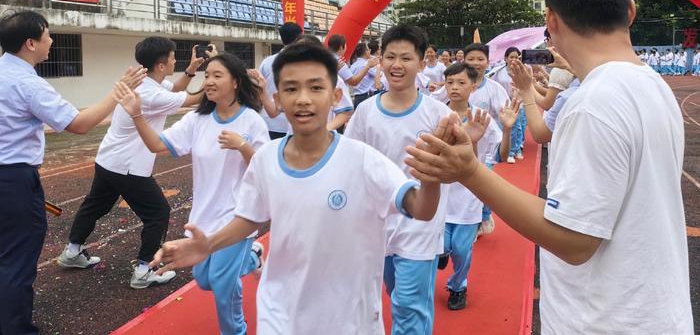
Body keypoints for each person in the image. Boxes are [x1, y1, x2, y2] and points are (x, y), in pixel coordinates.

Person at [405, 0, 694, 334]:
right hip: (649, 312)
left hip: (607, 320)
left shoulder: (595, 103)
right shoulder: (651, 84)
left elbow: (574, 240)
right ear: (630, 11)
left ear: (551, 20)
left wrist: (470, 171)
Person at [145, 41, 442, 335]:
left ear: (335, 95)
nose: (302, 99)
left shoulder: (362, 160)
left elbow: (421, 208)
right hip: (280, 316)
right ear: (278, 99)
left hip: (351, 319)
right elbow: (249, 217)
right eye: (290, 89)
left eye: (315, 88)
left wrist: (431, 176)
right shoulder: (265, 160)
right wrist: (207, 244)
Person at [0, 10, 146, 335]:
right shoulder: (28, 84)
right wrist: (120, 90)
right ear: (30, 43)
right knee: (17, 259)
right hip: (12, 179)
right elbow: (79, 125)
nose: (51, 40)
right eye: (47, 34)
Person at [116, 53, 269, 335]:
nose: (208, 81)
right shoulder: (197, 120)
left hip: (238, 217)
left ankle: (235, 331)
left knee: (223, 286)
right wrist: (136, 114)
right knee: (204, 279)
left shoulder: (251, 121)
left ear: (235, 82)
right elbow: (156, 146)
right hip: (203, 217)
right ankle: (252, 258)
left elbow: (267, 168)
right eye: (206, 75)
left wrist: (243, 147)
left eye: (217, 75)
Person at [57, 37, 211, 288]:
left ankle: (72, 251)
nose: (175, 60)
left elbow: (174, 90)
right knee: (158, 213)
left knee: (95, 206)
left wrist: (192, 70)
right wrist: (219, 74)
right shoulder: (150, 94)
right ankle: (143, 270)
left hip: (108, 159)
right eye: (173, 57)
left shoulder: (147, 82)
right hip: (129, 166)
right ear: (161, 65)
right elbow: (193, 99)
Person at [345, 24, 454, 335]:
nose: (396, 65)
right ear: (380, 60)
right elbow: (352, 162)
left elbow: (454, 165)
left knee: (408, 305)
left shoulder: (438, 114)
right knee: (395, 295)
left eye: (405, 58)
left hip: (420, 225)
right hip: (378, 224)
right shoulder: (365, 112)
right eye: (389, 56)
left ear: (421, 64)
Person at [438, 62, 519, 310]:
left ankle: (457, 286)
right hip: (438, 196)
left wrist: (507, 130)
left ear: (473, 86)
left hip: (468, 198)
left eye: (461, 83)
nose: (454, 87)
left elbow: (501, 156)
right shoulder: (434, 112)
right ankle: (441, 254)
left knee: (461, 249)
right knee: (442, 246)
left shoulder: (481, 119)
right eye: (450, 82)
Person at [258, 22, 303, 139]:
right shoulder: (304, 63)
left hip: (269, 120)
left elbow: (259, 88)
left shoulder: (267, 61)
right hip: (294, 121)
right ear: (299, 38)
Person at [492, 47, 527, 161]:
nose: (514, 59)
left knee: (518, 128)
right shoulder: (498, 71)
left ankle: (516, 150)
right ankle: (509, 151)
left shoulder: (522, 70)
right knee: (506, 127)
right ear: (506, 58)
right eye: (511, 57)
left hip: (518, 103)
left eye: (516, 57)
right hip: (504, 103)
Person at [349, 41, 376, 107]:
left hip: (357, 97)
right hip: (366, 96)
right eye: (368, 49)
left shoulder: (353, 65)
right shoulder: (367, 64)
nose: (370, 50)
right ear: (365, 52)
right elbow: (379, 75)